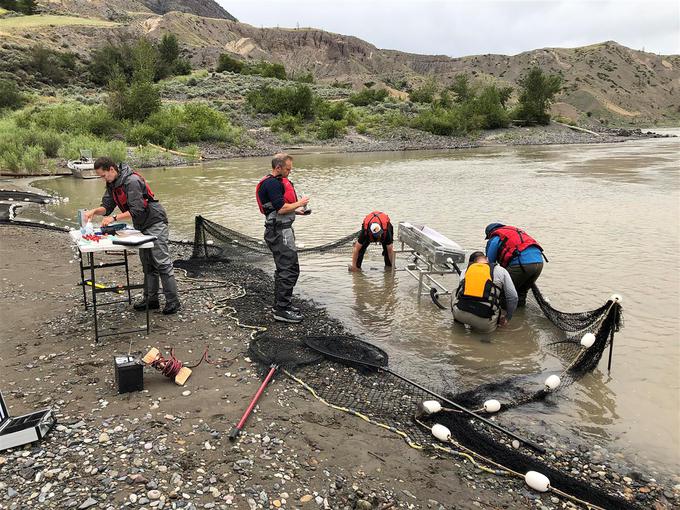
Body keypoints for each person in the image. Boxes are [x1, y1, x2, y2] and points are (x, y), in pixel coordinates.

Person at [84, 157, 181, 315]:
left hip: (155, 222)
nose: (103, 178)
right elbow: (107, 207)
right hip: (141, 225)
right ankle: (151, 300)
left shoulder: (132, 181)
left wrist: (114, 218)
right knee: (148, 264)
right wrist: (94, 212)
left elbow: (137, 210)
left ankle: (173, 302)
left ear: (111, 170)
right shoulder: (112, 184)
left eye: (103, 175)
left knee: (162, 263)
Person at [256, 153, 309, 323]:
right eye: (287, 169)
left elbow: (278, 209)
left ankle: (282, 304)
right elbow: (280, 208)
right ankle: (281, 309)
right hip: (279, 233)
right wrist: (301, 203)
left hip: (280, 230)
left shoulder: (274, 182)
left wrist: (297, 211)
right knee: (289, 269)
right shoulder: (272, 183)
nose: (289, 172)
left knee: (284, 268)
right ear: (278, 167)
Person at [452, 251, 518, 333]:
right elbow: (513, 297)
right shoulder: (501, 271)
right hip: (486, 321)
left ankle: (458, 323)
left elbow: (460, 292)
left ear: (473, 263)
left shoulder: (465, 271)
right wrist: (507, 318)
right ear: (487, 260)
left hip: (460, 314)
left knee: (454, 292)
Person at [484, 223, 545, 307]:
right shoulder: (514, 232)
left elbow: (490, 261)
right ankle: (520, 316)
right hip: (539, 263)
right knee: (521, 293)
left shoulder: (495, 237)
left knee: (504, 293)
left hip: (521, 264)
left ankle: (504, 316)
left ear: (490, 233)